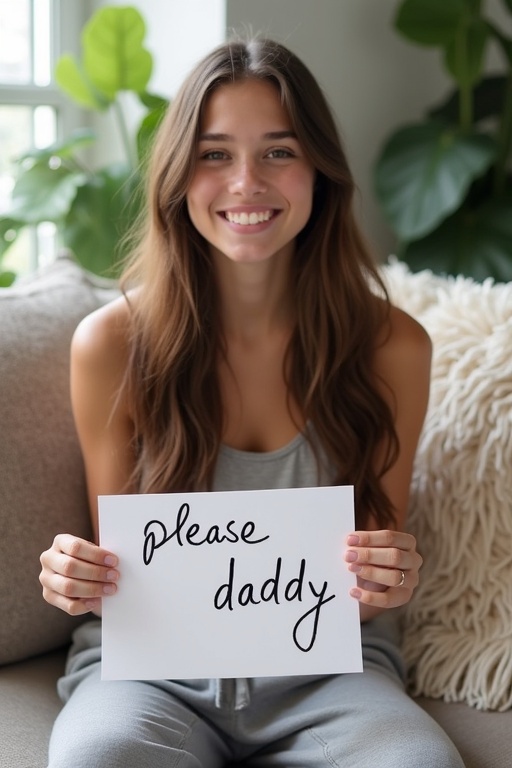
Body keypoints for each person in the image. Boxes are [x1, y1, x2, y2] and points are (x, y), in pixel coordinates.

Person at [39, 37, 464, 768]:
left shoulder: (394, 347)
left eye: (278, 151)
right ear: (177, 176)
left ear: (320, 172)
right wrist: (76, 575)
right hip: (150, 674)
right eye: (214, 154)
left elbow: (370, 585)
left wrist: (387, 575)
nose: (246, 182)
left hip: (330, 675)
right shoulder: (110, 345)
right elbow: (116, 566)